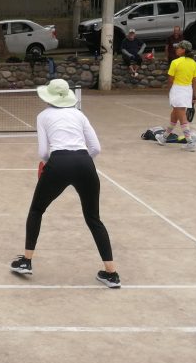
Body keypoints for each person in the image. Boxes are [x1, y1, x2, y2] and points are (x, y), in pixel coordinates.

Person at [10, 78, 120, 288]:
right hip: (85, 163)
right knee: (94, 219)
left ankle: (26, 261)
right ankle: (112, 273)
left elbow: (43, 152)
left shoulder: (43, 116)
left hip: (59, 163)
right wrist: (81, 162)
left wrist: (51, 165)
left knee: (37, 210)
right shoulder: (79, 115)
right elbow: (96, 148)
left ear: (48, 97)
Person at [157, 39, 196, 148]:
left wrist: (169, 91)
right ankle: (164, 137)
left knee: (181, 116)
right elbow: (195, 81)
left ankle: (190, 142)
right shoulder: (193, 63)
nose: (176, 49)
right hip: (187, 90)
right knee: (175, 114)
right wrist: (194, 95)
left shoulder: (175, 62)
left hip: (177, 90)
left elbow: (170, 80)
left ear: (183, 50)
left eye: (179, 47)